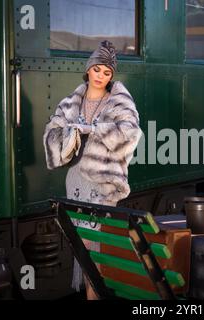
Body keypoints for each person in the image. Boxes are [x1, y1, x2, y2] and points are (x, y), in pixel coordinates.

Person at [43, 40, 142, 299]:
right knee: (82, 244)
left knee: (96, 244)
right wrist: (70, 135)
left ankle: (94, 294)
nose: (100, 76)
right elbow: (51, 132)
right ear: (88, 69)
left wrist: (94, 130)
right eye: (97, 69)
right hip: (76, 179)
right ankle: (91, 293)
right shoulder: (71, 102)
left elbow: (130, 134)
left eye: (106, 72)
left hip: (103, 182)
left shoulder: (119, 100)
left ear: (111, 76)